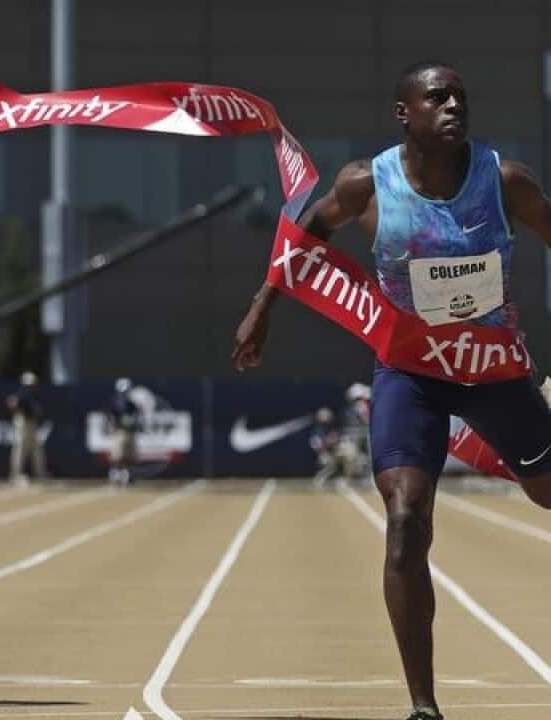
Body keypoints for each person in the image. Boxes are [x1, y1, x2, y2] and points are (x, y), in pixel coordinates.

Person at [232, 61, 551, 720]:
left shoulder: (505, 181)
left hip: (494, 369)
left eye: (461, 95)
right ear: (405, 113)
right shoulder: (364, 184)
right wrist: (262, 306)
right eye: (438, 97)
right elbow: (304, 238)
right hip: (411, 373)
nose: (454, 106)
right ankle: (424, 707)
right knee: (406, 525)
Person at [6, 371, 48, 485]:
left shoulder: (33, 394)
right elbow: (12, 402)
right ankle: (15, 475)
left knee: (37, 448)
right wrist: (19, 412)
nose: (33, 385)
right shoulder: (22, 393)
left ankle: (41, 474)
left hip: (31, 423)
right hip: (23, 422)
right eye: (30, 384)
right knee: (20, 448)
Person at [108, 377, 139, 485]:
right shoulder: (115, 403)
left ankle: (127, 475)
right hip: (119, 431)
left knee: (130, 456)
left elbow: (136, 417)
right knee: (118, 455)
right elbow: (112, 417)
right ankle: (115, 475)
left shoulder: (132, 405)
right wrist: (119, 423)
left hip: (130, 432)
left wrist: (132, 422)